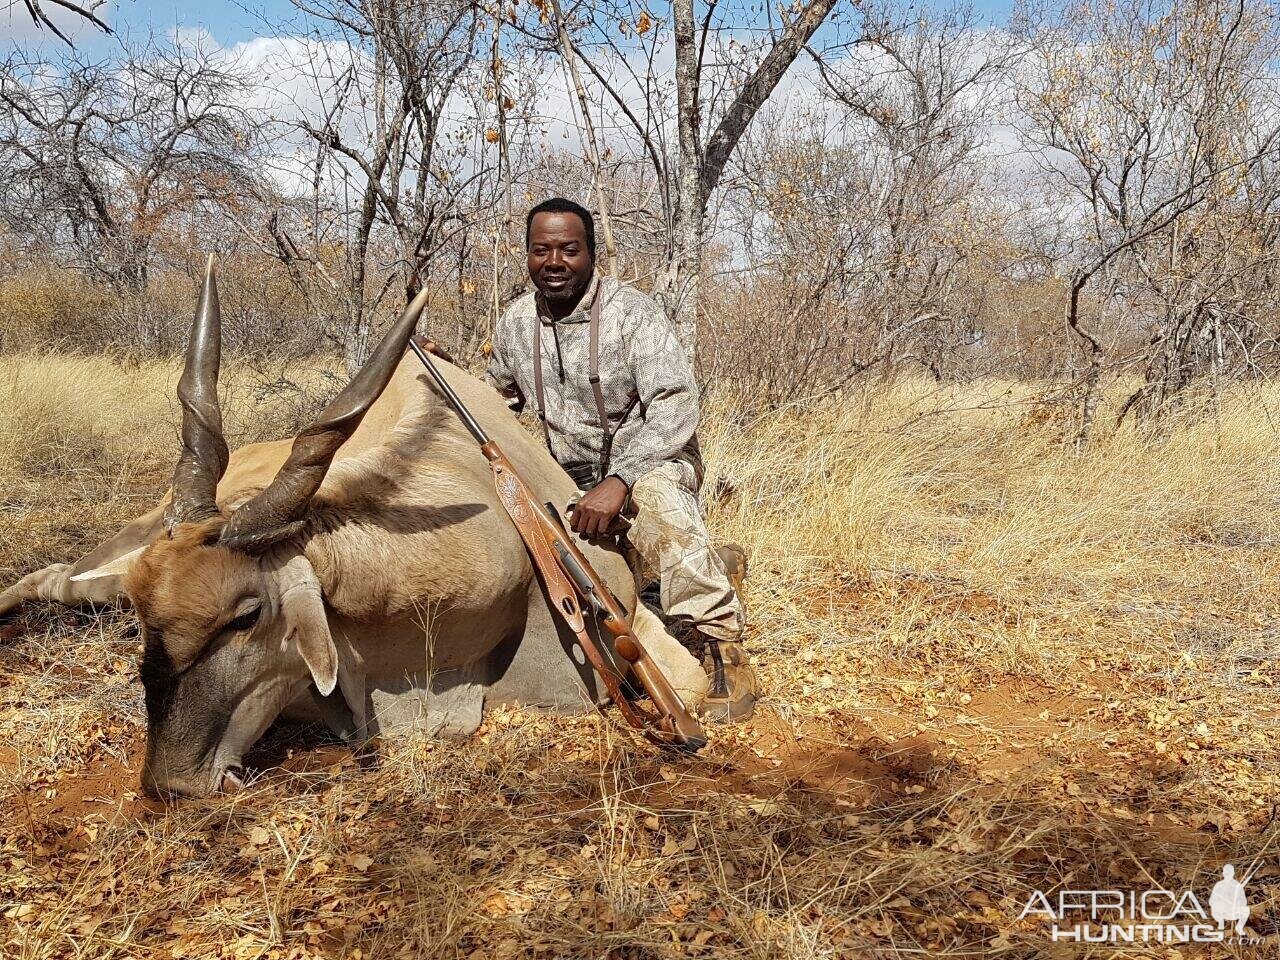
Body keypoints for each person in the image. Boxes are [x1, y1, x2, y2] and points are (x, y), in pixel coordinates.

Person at [484, 196, 758, 721]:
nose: (555, 262)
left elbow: (676, 407)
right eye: (541, 250)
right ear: (527, 255)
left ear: (591, 254)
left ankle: (721, 641)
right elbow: (498, 397)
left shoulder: (634, 314)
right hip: (565, 476)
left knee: (656, 499)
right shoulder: (516, 323)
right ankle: (692, 566)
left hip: (652, 461)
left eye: (569, 249)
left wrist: (622, 479)